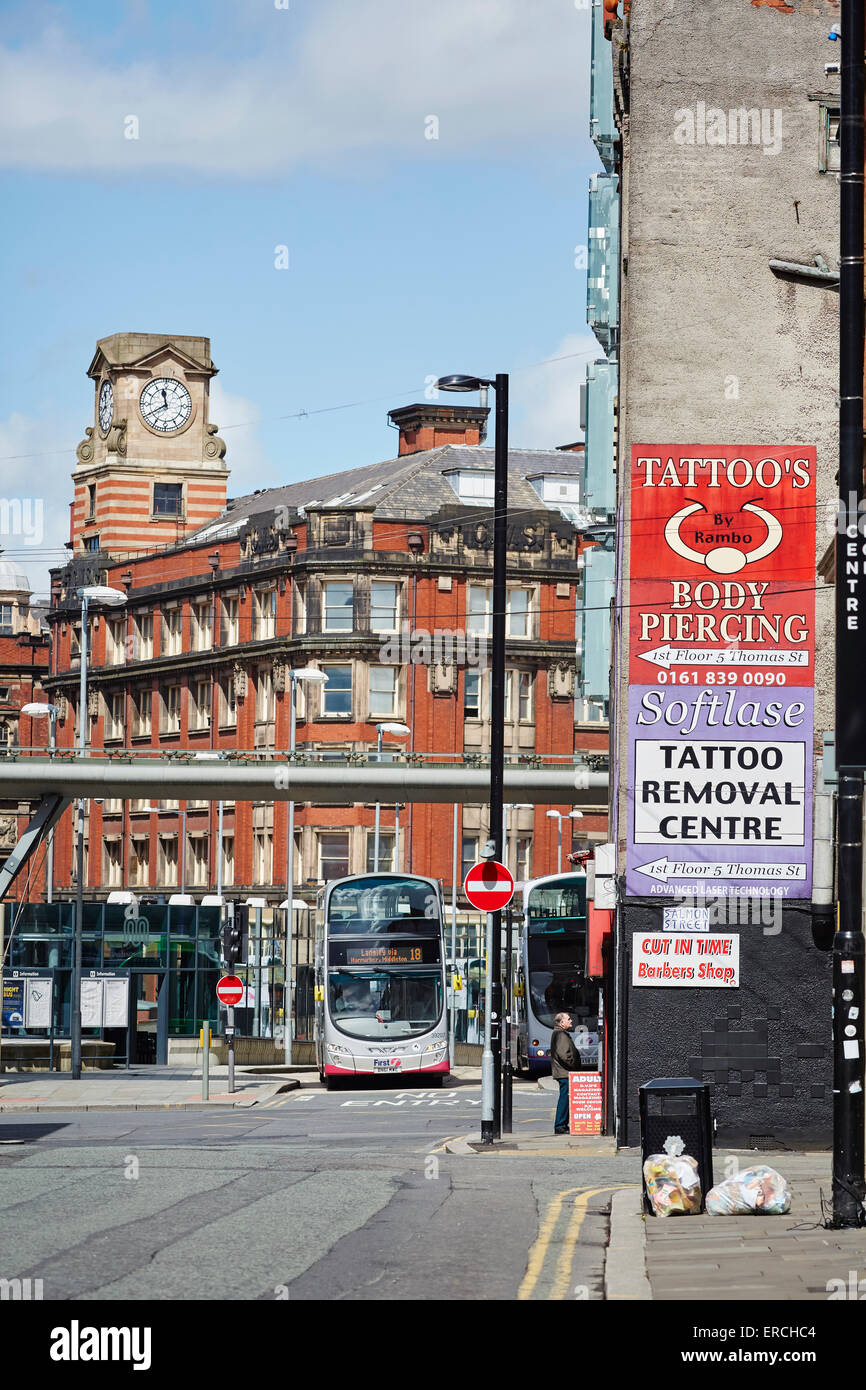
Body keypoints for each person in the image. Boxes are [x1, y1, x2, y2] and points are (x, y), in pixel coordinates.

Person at [550, 1010, 580, 1134]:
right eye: (568, 1019)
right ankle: (560, 1125)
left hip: (564, 1072)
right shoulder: (560, 1035)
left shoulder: (560, 1033)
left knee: (566, 1099)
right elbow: (563, 1054)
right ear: (562, 1022)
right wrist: (573, 1065)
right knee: (564, 1099)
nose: (571, 1021)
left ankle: (563, 1124)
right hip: (565, 1072)